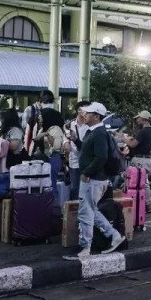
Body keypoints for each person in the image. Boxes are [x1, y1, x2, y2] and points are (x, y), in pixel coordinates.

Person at [64, 102, 125, 260]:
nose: (84, 115)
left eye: (88, 113)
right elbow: (87, 150)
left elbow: (101, 156)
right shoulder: (94, 131)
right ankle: (114, 235)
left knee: (85, 213)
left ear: (96, 116)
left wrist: (87, 172)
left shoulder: (98, 132)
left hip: (93, 178)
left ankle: (85, 249)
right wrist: (76, 140)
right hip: (94, 178)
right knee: (91, 210)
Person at [63, 101, 90, 201]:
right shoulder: (69, 125)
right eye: (85, 110)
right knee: (74, 188)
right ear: (79, 111)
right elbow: (65, 138)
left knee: (87, 188)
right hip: (74, 160)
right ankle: (73, 211)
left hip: (88, 161)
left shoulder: (90, 126)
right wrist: (65, 143)